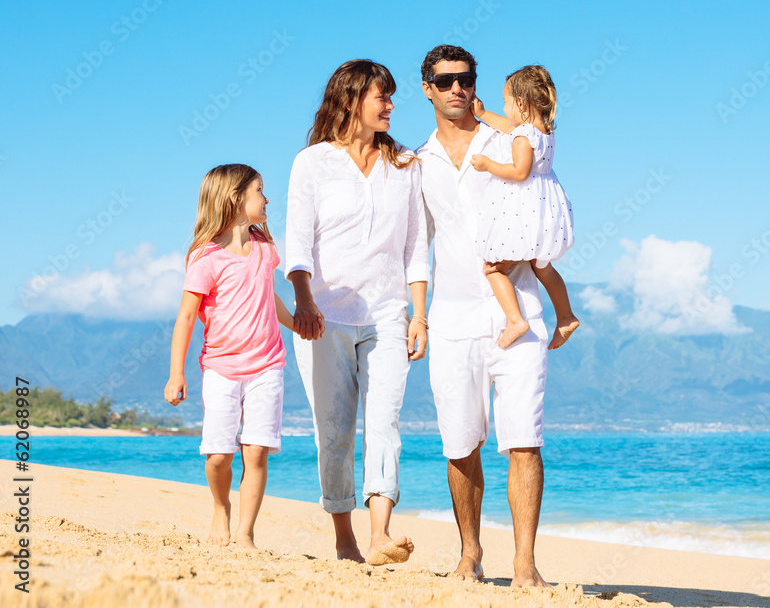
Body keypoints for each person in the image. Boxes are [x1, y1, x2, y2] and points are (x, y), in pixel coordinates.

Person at [285, 59, 428, 566]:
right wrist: (303, 300)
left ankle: (379, 535)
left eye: (390, 97)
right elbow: (298, 241)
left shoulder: (405, 163)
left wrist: (419, 314)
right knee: (335, 428)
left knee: (384, 419)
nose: (390, 105)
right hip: (324, 316)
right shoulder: (313, 163)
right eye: (380, 97)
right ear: (350, 101)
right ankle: (344, 539)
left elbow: (416, 247)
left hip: (389, 312)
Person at [416, 44, 550, 587]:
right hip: (449, 318)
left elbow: (546, 204)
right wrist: (416, 315)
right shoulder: (414, 161)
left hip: (518, 313)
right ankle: (469, 555)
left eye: (465, 79)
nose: (457, 89)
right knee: (459, 440)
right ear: (427, 87)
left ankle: (525, 565)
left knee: (524, 439)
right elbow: (411, 245)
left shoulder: (511, 140)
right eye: (445, 80)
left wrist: (523, 255)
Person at [163, 163, 294, 550]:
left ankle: (245, 534)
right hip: (221, 368)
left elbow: (268, 295)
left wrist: (296, 322)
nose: (267, 199)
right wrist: (176, 374)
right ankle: (222, 509)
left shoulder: (265, 248)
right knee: (220, 456)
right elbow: (187, 317)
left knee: (256, 452)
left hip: (267, 364)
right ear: (236, 198)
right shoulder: (206, 257)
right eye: (259, 190)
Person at [470, 65, 579, 350]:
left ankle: (516, 319)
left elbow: (519, 172)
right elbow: (511, 127)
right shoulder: (544, 130)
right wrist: (481, 114)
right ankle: (566, 316)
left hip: (522, 210)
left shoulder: (523, 136)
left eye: (506, 102)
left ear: (520, 103)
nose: (504, 109)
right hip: (544, 210)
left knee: (493, 267)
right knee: (542, 266)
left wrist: (488, 165)